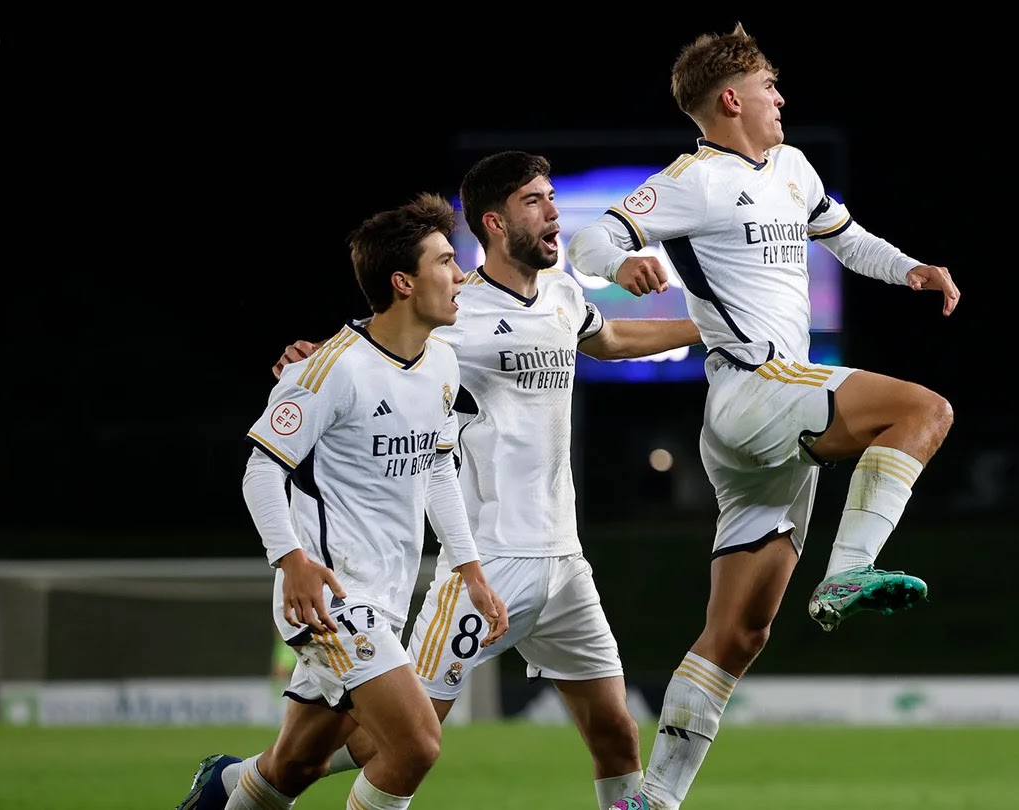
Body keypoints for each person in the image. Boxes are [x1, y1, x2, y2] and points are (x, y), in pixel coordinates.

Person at [185, 151, 702, 810]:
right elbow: (386, 346)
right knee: (397, 741)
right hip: (487, 555)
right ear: (493, 222)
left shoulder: (566, 293)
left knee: (615, 734)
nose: (552, 211)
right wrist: (318, 354)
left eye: (552, 197)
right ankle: (245, 782)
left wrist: (713, 328)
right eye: (535, 201)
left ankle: (242, 783)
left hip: (564, 560)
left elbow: (611, 338)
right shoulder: (457, 315)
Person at [565, 23, 960, 810]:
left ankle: (652, 800)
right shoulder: (694, 178)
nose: (783, 99)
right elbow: (588, 239)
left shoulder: (793, 168)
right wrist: (625, 260)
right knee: (924, 410)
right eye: (771, 86)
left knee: (738, 635)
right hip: (755, 387)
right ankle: (849, 572)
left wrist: (909, 268)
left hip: (765, 425)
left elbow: (846, 240)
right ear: (732, 98)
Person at [176, 192, 509, 810]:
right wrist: (291, 559)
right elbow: (260, 472)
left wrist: (469, 569)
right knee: (415, 745)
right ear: (403, 282)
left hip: (386, 600)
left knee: (298, 764)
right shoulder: (329, 371)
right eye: (445, 262)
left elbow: (438, 469)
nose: (461, 275)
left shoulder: (441, 364)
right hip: (333, 600)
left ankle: (222, 788)